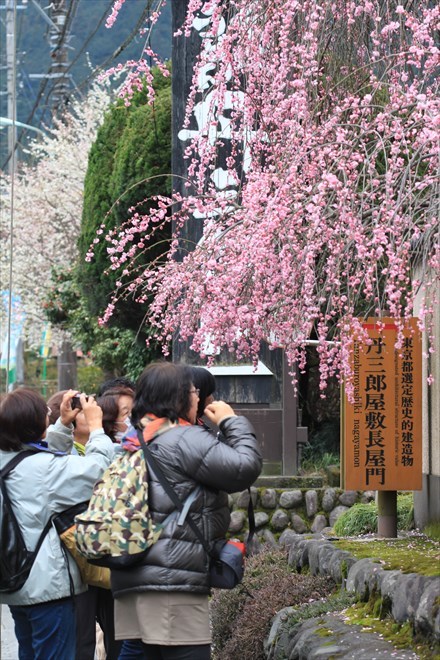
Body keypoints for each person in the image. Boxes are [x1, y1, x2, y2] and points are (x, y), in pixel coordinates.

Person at [111, 361, 262, 660]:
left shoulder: (140, 436)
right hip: (172, 583)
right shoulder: (181, 437)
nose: (197, 398)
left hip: (137, 578)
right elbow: (244, 468)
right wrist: (232, 421)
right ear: (179, 396)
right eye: (193, 391)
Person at [0, 388, 115, 660]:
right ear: (34, 424)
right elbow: (98, 471)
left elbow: (37, 456)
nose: (49, 416)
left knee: (28, 652)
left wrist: (62, 425)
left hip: (15, 582)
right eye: (45, 414)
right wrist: (97, 428)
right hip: (48, 591)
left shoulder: (11, 459)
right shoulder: (43, 471)